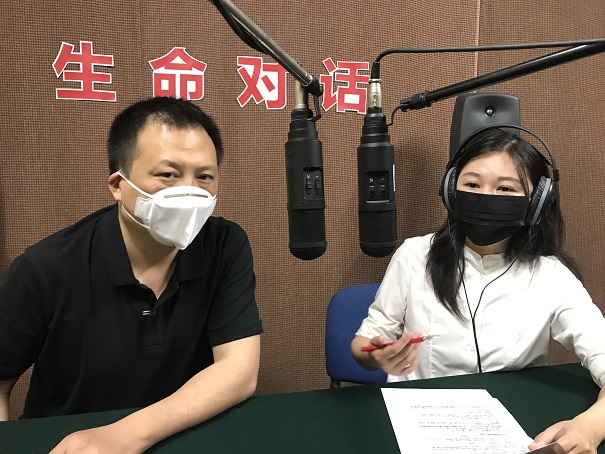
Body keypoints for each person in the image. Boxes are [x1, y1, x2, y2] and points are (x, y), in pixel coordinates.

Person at [0, 96, 263, 453]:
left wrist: (128, 435)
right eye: (168, 175)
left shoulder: (225, 245)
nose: (189, 191)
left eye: (204, 177)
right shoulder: (45, 268)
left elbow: (238, 370)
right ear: (118, 185)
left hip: (177, 435)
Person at [351, 127, 605, 453]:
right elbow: (365, 341)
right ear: (451, 189)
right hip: (419, 422)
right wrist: (375, 355)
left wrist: (592, 426)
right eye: (472, 184)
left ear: (536, 202)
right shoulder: (414, 255)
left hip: (514, 423)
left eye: (505, 188)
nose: (486, 197)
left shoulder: (551, 276)